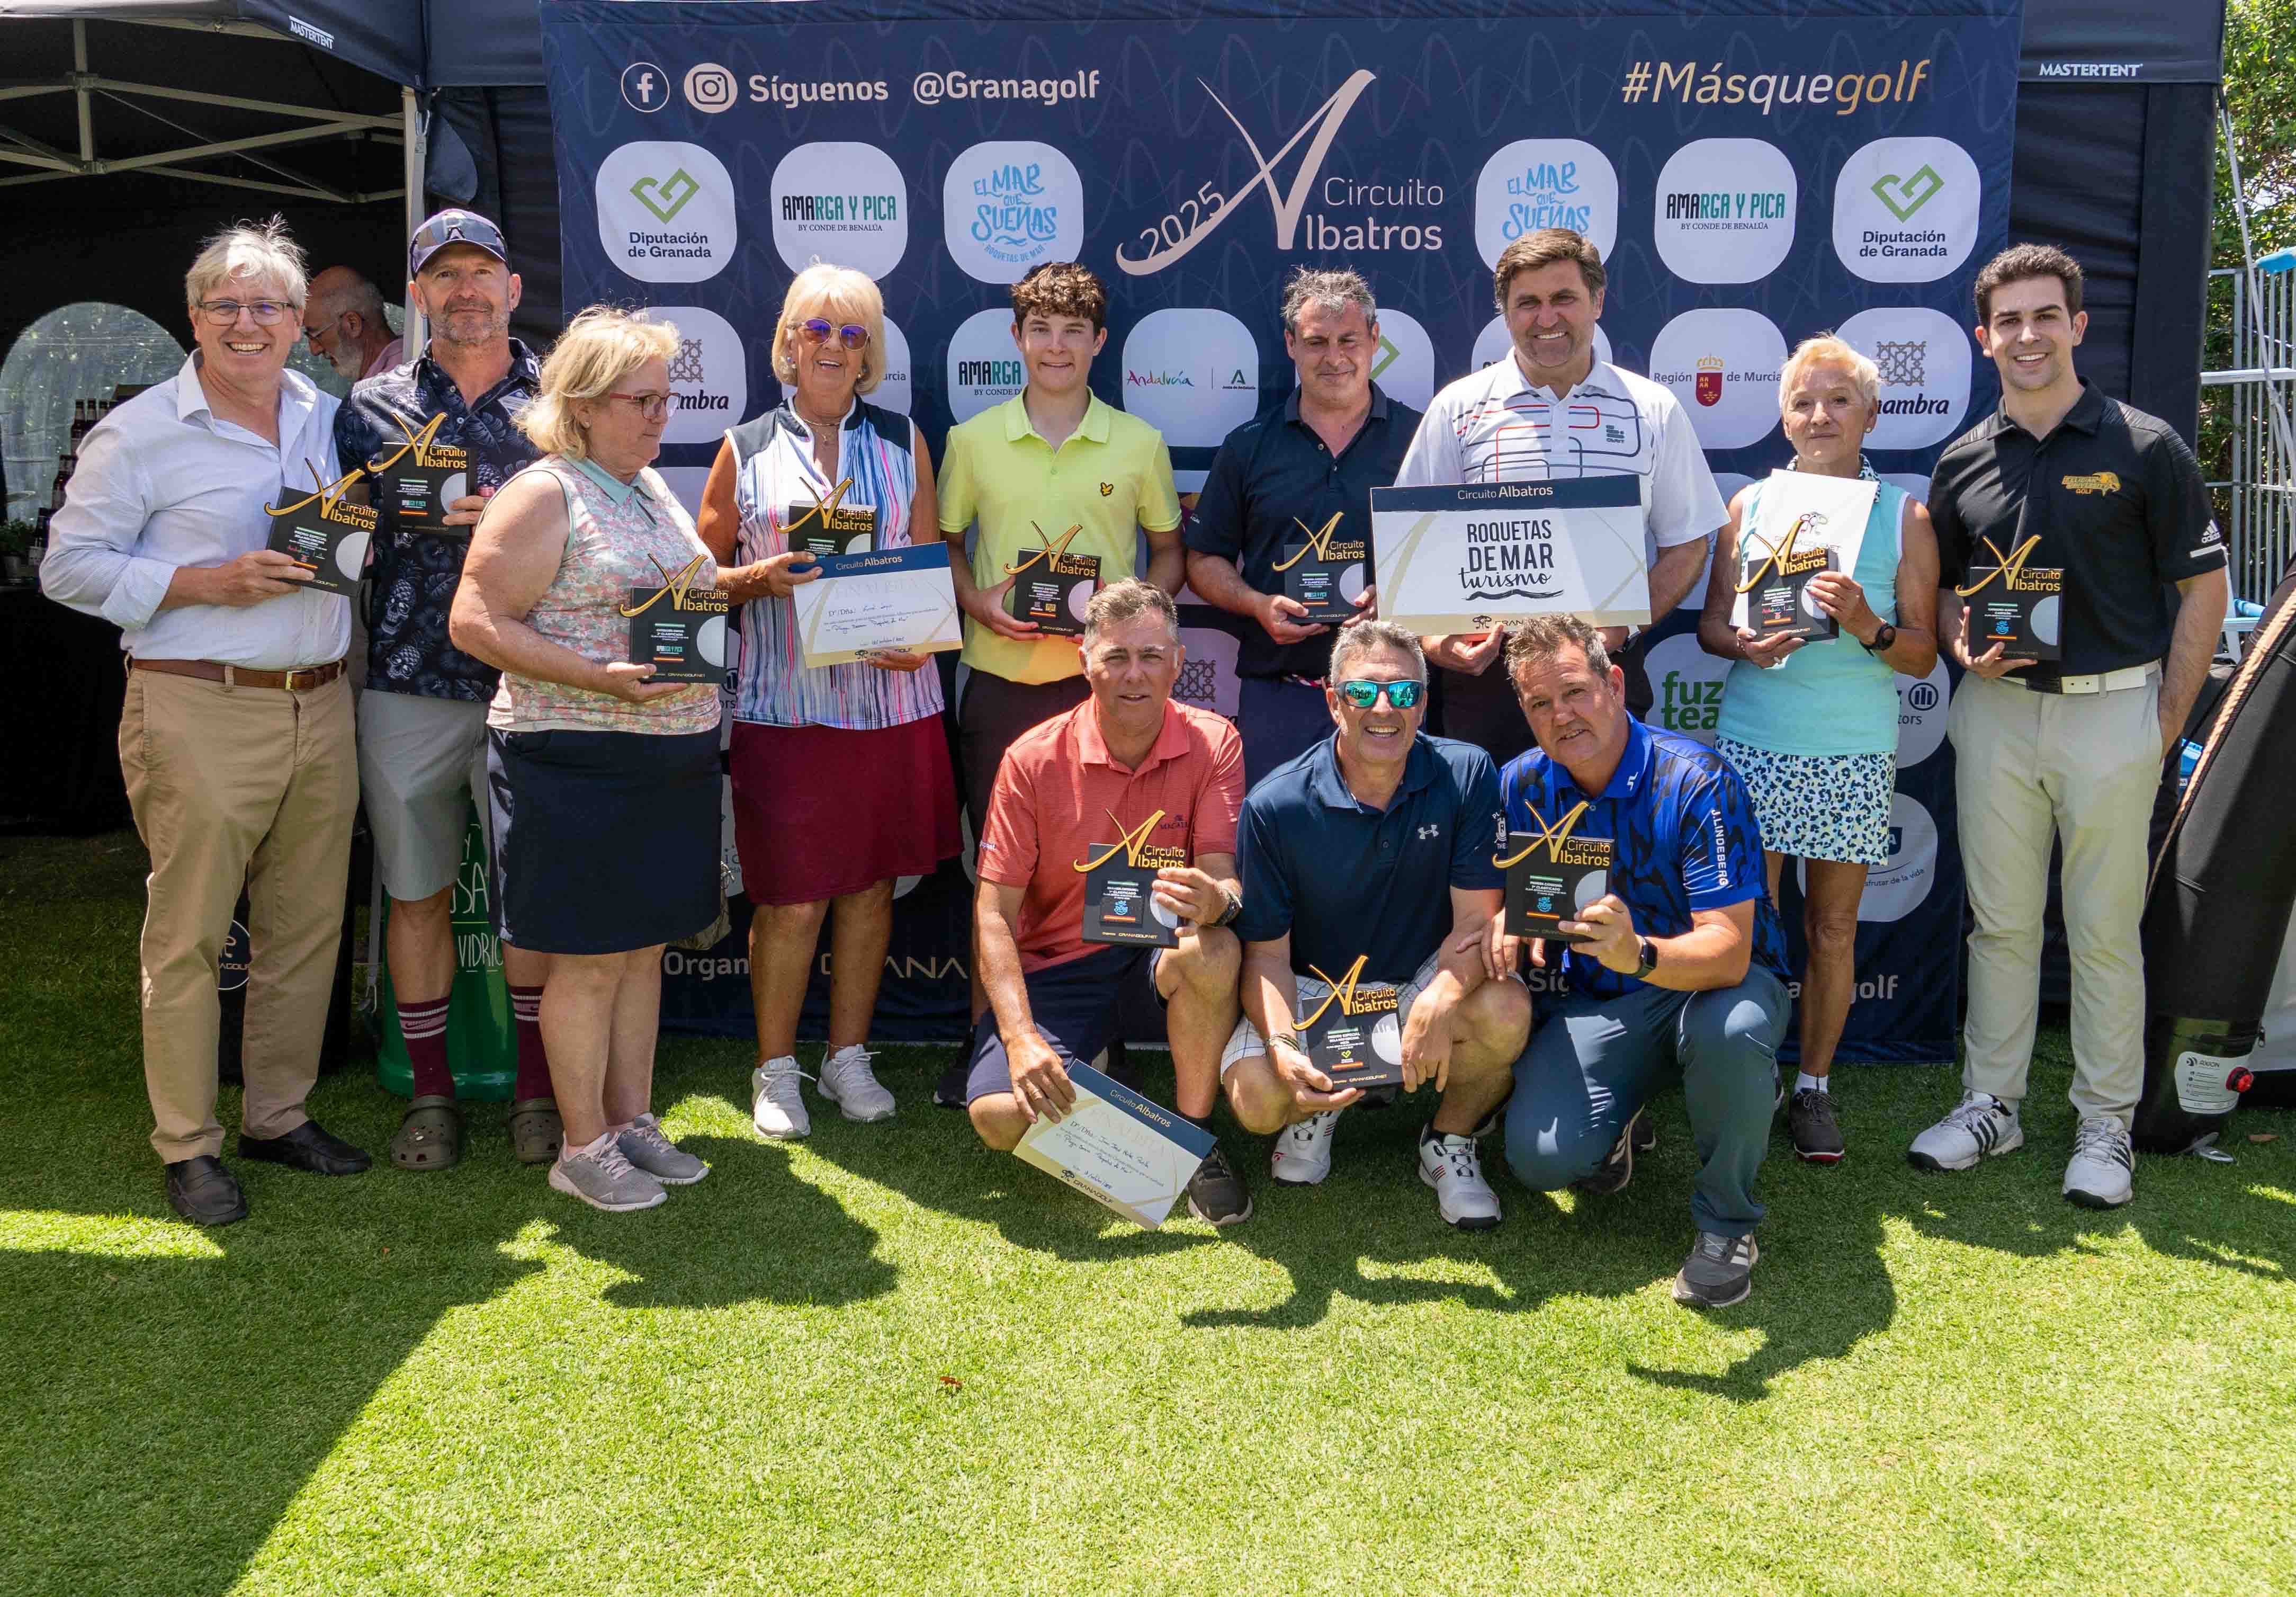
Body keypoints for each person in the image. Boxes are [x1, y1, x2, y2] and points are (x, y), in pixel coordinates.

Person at [41, 217, 369, 1226]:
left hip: (321, 699)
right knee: (187, 939)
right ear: (193, 318)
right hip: (196, 700)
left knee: (306, 930)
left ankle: (278, 1114)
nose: (247, 323)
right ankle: (188, 1147)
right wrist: (201, 582)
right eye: (225, 305)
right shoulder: (140, 432)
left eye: (268, 305)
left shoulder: (330, 415)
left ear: (297, 321)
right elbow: (67, 568)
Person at [1911, 244, 2230, 1208]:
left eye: (2044, 316)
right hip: (1998, 720)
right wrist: (1962, 645)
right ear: (1983, 337)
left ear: (2077, 326)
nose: (2027, 335)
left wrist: (2164, 720)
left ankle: (2103, 1122)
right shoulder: (1964, 457)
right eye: (2007, 321)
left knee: (2100, 933)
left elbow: (2203, 590)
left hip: (2114, 716)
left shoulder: (2143, 445)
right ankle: (1991, 1104)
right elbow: (1948, 595)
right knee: (2000, 926)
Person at [448, 306, 719, 1214]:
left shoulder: (646, 486)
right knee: (591, 963)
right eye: (641, 399)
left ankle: (631, 1120)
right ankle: (581, 1144)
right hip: (574, 754)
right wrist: (596, 678)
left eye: (664, 397)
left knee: (641, 953)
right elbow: (475, 621)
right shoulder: (545, 490)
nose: (659, 415)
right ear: (586, 404)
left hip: (662, 754)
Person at [695, 263, 962, 1140]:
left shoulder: (902, 441)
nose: (833, 348)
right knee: (792, 900)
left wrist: (922, 634)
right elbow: (698, 586)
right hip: (786, 706)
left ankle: (849, 1056)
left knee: (871, 892)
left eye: (852, 335)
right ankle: (777, 1069)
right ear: (786, 341)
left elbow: (927, 568)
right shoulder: (745, 447)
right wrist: (757, 579)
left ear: (870, 354)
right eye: (817, 330)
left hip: (890, 704)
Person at [334, 207, 557, 1172]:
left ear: (511, 289)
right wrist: (404, 528)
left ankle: (539, 1097)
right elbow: (335, 547)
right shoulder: (369, 409)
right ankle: (431, 1097)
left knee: (532, 902)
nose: (464, 291)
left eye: (482, 274)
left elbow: (601, 527)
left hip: (536, 682)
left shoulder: (563, 402)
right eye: (443, 276)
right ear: (415, 296)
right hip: (409, 682)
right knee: (417, 894)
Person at [1492, 615, 1793, 1309]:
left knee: (1732, 1028)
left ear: (1614, 682)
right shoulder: (1521, 786)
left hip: (1713, 987)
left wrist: (1641, 951)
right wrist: (1502, 921)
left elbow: (1729, 948)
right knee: (1541, 1159)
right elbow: (1507, 897)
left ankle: (1727, 1225)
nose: (1560, 715)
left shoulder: (1698, 780)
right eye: (1540, 704)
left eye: (1573, 691)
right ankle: (1626, 1115)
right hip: (1601, 1002)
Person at [1697, 335, 1940, 1163]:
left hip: (1850, 749)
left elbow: (1923, 653)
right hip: (1757, 738)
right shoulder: (1748, 507)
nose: (1820, 415)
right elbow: (1710, 624)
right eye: (1804, 401)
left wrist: (1870, 625)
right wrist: (1744, 644)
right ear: (1783, 416)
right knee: (1753, 924)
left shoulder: (1905, 514)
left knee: (1832, 928)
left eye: (1838, 400)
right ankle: (1750, 1074)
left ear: (1871, 414)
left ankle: (1814, 1088)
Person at [937, 261, 1185, 1074]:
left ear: (1099, 342)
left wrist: (1135, 620)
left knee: (1107, 863)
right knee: (998, 875)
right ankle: (993, 1045)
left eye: (1074, 330)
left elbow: (1170, 552)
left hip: (1104, 692)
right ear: (1015, 339)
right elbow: (943, 545)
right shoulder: (972, 442)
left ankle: (1098, 1043)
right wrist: (975, 602)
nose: (1056, 346)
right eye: (1040, 329)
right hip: (1002, 679)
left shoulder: (1140, 441)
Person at [962, 581, 1251, 1226]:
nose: (1134, 676)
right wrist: (1019, 1039)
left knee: (1215, 949)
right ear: (1083, 661)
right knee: (996, 1117)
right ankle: (1099, 1090)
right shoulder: (1031, 759)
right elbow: (992, 915)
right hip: (1060, 966)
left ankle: (1193, 1137)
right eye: (1116, 657)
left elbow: (1223, 878)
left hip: (1158, 957)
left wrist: (1216, 902)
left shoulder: (1215, 741)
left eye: (1151, 657)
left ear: (1179, 662)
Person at [1223, 619, 1527, 1228]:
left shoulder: (1467, 772)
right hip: (1313, 994)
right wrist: (1284, 1048)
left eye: (1405, 692)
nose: (1384, 708)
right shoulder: (1274, 804)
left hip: (1418, 977)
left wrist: (1441, 996)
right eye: (1362, 692)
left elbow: (1476, 921)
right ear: (1333, 702)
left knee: (1505, 1011)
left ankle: (1448, 1141)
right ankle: (1318, 1103)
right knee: (1257, 1099)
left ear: (1423, 701)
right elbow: (1266, 959)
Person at [1395, 228, 1726, 766]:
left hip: (1602, 673)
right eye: (1527, 303)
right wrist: (1437, 645)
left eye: (1563, 299)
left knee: (1608, 843)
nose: (1546, 319)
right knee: (1489, 845)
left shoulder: (1651, 408)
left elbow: (1687, 545)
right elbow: (1410, 550)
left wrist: (1623, 625)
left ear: (1597, 300)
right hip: (1487, 683)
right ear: (1505, 312)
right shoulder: (1458, 409)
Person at [1185, 267, 1411, 786]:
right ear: (1290, 344)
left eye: (1348, 340)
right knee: (1275, 854)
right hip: (1278, 692)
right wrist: (1255, 604)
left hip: (1389, 697)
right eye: (1316, 342)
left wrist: (1398, 596)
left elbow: (1451, 559)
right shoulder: (1248, 445)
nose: (1333, 357)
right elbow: (1202, 560)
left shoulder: (1420, 438)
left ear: (1374, 339)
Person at [303, 265, 403, 381]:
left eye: (317, 336)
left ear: (352, 324)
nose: (314, 351)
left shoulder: (393, 387)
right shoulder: (410, 361)